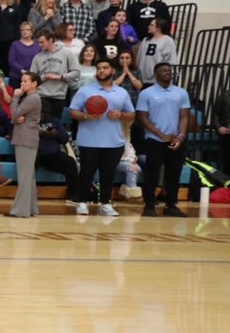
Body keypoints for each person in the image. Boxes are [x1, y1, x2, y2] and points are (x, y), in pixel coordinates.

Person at [68, 59, 136, 217]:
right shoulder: (85, 91)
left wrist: (121, 115)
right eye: (99, 68)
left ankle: (106, 204)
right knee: (87, 172)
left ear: (112, 71)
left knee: (108, 174)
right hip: (89, 140)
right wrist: (86, 116)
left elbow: (132, 114)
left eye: (105, 68)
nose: (101, 71)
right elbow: (73, 111)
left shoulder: (121, 92)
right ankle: (82, 202)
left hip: (114, 141)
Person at [135, 63, 193, 217]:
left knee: (174, 173)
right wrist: (162, 135)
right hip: (155, 139)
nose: (167, 73)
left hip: (177, 139)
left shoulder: (181, 93)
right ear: (155, 74)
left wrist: (180, 136)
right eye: (164, 71)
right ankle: (149, 204)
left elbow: (184, 116)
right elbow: (142, 118)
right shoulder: (146, 93)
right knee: (152, 173)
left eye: (169, 70)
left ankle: (171, 205)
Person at [7, 72, 43, 218]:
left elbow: (14, 114)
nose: (22, 84)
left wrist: (15, 97)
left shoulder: (32, 98)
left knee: (24, 176)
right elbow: (15, 118)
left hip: (25, 138)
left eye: (25, 81)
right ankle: (32, 209)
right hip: (27, 138)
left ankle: (20, 210)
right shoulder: (31, 98)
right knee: (29, 176)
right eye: (22, 81)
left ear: (34, 83)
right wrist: (15, 119)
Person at [29, 31, 81, 124]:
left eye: (42, 42)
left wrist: (61, 77)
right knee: (43, 122)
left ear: (51, 40)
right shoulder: (37, 57)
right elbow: (32, 78)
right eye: (39, 42)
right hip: (42, 94)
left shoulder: (66, 53)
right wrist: (44, 77)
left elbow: (76, 73)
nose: (40, 45)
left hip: (59, 95)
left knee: (55, 123)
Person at [134, 17, 176, 83]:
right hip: (142, 79)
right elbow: (139, 58)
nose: (148, 26)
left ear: (158, 28)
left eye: (151, 25)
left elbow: (171, 59)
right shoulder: (146, 40)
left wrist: (170, 75)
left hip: (157, 80)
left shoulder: (168, 41)